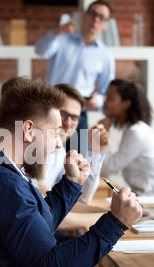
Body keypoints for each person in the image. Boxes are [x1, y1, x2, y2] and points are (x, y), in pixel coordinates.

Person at [0, 77, 143, 267]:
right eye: (54, 132)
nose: (57, 143)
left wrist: (70, 184)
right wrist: (116, 222)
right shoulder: (4, 185)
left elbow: (35, 226)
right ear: (28, 130)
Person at [35, 0, 115, 153]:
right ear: (85, 16)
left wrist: (96, 102)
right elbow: (40, 51)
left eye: (102, 18)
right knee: (41, 156)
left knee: (78, 160)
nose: (96, 20)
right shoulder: (62, 39)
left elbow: (107, 93)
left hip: (79, 115)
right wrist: (57, 31)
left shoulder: (105, 56)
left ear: (106, 24)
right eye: (93, 14)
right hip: (51, 109)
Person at [91, 79, 154, 198]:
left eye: (110, 98)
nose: (105, 102)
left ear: (126, 103)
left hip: (150, 197)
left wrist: (103, 137)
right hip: (141, 194)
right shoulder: (130, 129)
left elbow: (107, 169)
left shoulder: (136, 133)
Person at [39, 83, 109, 204]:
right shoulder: (32, 150)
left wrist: (94, 151)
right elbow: (47, 205)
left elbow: (81, 198)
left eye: (74, 117)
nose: (67, 123)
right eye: (63, 114)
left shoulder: (59, 152)